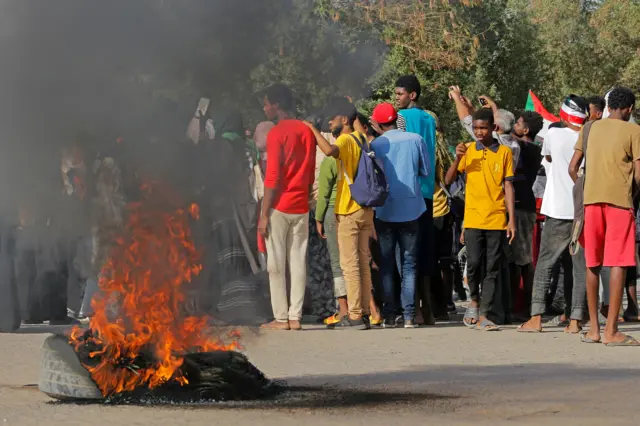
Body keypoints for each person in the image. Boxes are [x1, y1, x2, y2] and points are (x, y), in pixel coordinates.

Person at [569, 87, 640, 346]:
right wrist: (630, 193)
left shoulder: (590, 128)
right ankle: (612, 331)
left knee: (592, 264)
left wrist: (587, 189)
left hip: (590, 201)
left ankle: (594, 330)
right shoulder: (635, 131)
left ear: (608, 106)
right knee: (618, 263)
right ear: (629, 109)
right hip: (620, 202)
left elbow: (572, 167)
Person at [518, 95, 589, 334]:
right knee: (578, 267)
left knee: (546, 264)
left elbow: (547, 157)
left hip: (557, 210)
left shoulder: (553, 135)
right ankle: (575, 320)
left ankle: (536, 317)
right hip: (582, 210)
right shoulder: (588, 136)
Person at [306, 99, 374, 330]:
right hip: (365, 209)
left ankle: (354, 315)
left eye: (333, 119)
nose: (329, 123)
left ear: (344, 120)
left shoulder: (345, 139)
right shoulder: (361, 137)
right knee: (363, 263)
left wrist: (312, 129)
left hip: (348, 208)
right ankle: (364, 311)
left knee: (349, 265)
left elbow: (328, 150)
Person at [445, 109, 516, 331]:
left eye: (483, 128)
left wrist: (511, 219)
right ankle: (474, 301)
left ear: (493, 128)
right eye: (475, 128)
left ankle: (485, 314)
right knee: (473, 264)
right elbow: (448, 180)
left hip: (496, 218)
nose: (478, 132)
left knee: (492, 268)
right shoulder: (467, 150)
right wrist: (457, 158)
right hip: (473, 219)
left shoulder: (504, 152)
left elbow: (508, 186)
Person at [259, 84, 316, 331]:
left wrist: (263, 214)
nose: (264, 108)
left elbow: (272, 177)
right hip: (301, 205)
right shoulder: (306, 130)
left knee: (276, 263)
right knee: (298, 261)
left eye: (266, 103)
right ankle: (296, 317)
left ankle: (281, 318)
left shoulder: (276, 133)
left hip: (280, 206)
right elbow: (311, 170)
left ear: (276, 105)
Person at [368, 102, 430, 328]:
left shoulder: (375, 144)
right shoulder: (415, 139)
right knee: (409, 264)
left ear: (378, 123)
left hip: (384, 210)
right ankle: (409, 316)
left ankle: (389, 314)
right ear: (396, 119)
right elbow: (424, 171)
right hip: (412, 209)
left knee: (386, 264)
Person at [394, 75, 438, 324]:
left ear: (412, 94)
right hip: (427, 189)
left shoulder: (401, 119)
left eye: (400, 94)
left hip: (409, 191)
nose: (396, 98)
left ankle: (415, 309)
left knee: (409, 253)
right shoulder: (429, 119)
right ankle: (428, 308)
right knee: (425, 249)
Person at [509, 111, 544, 319]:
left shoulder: (529, 148)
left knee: (521, 260)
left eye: (519, 123)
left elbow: (506, 136)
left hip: (522, 208)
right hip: (521, 206)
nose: (515, 125)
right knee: (518, 259)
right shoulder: (525, 147)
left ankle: (523, 306)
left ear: (526, 130)